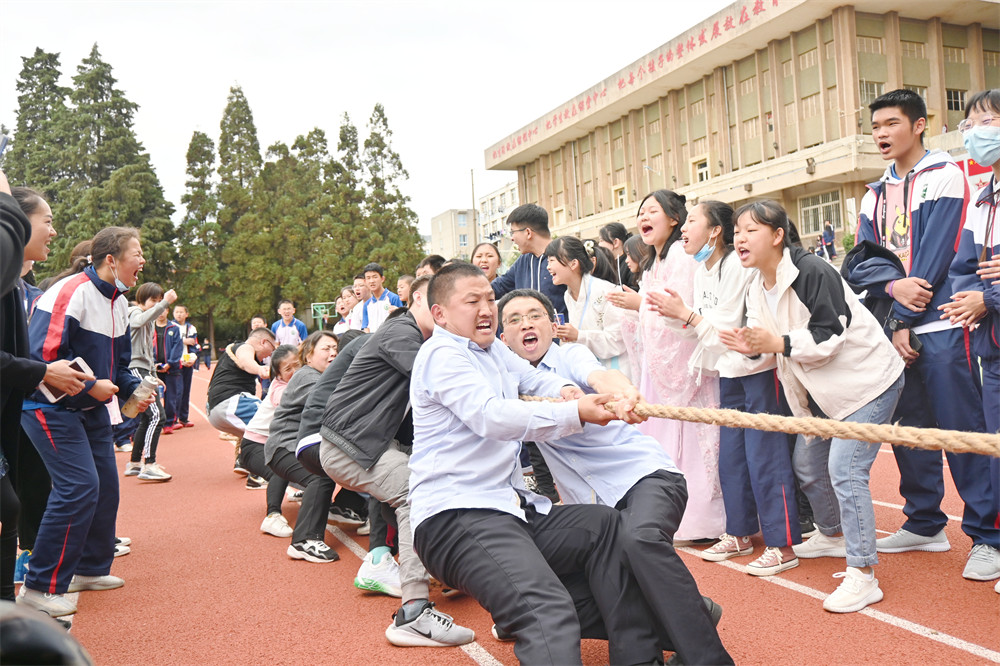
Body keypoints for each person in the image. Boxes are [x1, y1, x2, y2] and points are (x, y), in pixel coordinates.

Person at [410, 262, 664, 662]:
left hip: (510, 509)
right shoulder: (441, 354)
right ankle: (683, 618)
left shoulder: (492, 349)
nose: (486, 309)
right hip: (458, 515)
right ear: (439, 314)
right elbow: (491, 416)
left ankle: (643, 652)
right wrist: (576, 412)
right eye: (472, 301)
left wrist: (566, 390)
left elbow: (532, 379)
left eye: (490, 299)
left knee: (604, 526)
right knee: (546, 611)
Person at [497, 288, 732, 664]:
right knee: (539, 590)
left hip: (647, 479)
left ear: (553, 326)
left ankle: (707, 659)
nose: (526, 323)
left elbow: (603, 376)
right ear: (503, 338)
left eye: (535, 315)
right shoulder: (510, 385)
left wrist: (625, 395)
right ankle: (690, 614)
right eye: (514, 319)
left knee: (639, 538)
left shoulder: (569, 356)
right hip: (596, 517)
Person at [719, 200, 905, 613]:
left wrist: (777, 343)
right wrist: (751, 347)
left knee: (845, 470)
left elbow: (830, 335)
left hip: (868, 383)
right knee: (807, 464)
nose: (740, 238)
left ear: (777, 235)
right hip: (822, 395)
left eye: (750, 230)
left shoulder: (812, 271)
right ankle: (833, 534)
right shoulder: (757, 286)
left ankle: (863, 573)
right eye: (737, 231)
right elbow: (767, 343)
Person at [847, 88, 996, 581]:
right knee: (909, 428)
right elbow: (861, 262)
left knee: (960, 428)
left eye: (891, 123)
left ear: (919, 125)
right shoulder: (873, 193)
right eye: (875, 127)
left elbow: (938, 253)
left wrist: (903, 319)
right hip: (897, 325)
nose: (881, 134)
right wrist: (893, 292)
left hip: (944, 323)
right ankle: (925, 522)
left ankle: (987, 535)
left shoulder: (945, 175)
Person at [317, 274, 478, 647]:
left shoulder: (423, 339)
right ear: (418, 299)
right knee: (414, 493)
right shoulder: (401, 332)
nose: (445, 311)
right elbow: (444, 380)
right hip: (349, 445)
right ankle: (414, 612)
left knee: (443, 484)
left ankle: (454, 572)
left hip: (375, 444)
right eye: (439, 302)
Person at [645, 200, 803, 575]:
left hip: (758, 371)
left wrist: (687, 315)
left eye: (691, 221)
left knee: (765, 456)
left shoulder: (737, 266)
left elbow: (729, 329)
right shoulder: (703, 271)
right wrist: (677, 315)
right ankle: (739, 532)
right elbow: (700, 329)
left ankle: (782, 545)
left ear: (715, 231)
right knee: (731, 457)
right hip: (727, 373)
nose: (684, 229)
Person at [18, 226, 154, 617]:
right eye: (137, 253)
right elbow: (42, 359)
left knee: (105, 486)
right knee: (78, 486)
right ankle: (39, 587)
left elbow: (120, 366)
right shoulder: (70, 292)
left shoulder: (118, 302)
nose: (143, 260)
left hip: (88, 407)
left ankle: (89, 569)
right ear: (111, 259)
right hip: (47, 406)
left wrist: (135, 389)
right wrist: (94, 385)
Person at [608, 190, 726, 542]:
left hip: (685, 365)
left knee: (693, 441)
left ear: (674, 219)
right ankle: (669, 515)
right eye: (641, 212)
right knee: (664, 438)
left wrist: (639, 304)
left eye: (652, 211)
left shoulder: (680, 256)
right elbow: (652, 314)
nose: (643, 217)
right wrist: (635, 307)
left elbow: (681, 308)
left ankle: (702, 521)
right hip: (658, 366)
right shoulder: (653, 262)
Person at [1, 185, 91, 602]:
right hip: (24, 408)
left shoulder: (21, 286)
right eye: (47, 221)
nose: (53, 231)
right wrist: (42, 371)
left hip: (16, 408)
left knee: (14, 504)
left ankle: (16, 607)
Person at [940, 89, 1000, 589]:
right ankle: (993, 542)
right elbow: (965, 268)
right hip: (994, 350)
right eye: (969, 124)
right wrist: (971, 299)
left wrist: (991, 297)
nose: (974, 133)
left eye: (987, 121)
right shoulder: (984, 199)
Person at [265, 331, 341, 563]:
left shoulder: (321, 377)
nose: (333, 353)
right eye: (326, 349)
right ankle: (304, 540)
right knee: (320, 476)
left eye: (336, 349)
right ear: (308, 356)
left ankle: (348, 508)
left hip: (296, 446)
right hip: (283, 448)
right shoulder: (308, 377)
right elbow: (337, 404)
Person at [546, 235, 631, 381]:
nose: (548, 267)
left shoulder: (606, 292)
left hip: (616, 372)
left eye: (552, 261)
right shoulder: (568, 295)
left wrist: (578, 335)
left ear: (573, 264)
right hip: (589, 372)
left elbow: (617, 340)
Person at [122, 282, 177, 482]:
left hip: (144, 370)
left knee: (147, 417)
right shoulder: (134, 312)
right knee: (157, 416)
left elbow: (148, 352)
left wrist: (154, 376)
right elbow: (138, 322)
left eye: (159, 300)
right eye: (153, 300)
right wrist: (164, 303)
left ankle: (135, 462)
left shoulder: (149, 319)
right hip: (135, 369)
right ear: (142, 299)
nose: (157, 305)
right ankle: (149, 463)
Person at [240, 344, 298, 522]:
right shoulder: (279, 388)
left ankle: (307, 491)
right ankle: (273, 516)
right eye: (288, 369)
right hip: (255, 446)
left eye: (298, 364)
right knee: (280, 469)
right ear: (278, 374)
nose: (295, 371)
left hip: (276, 444)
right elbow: (288, 401)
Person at [490, 203, 568, 320]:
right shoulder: (523, 262)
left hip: (562, 331)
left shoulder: (564, 257)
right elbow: (498, 287)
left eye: (513, 232)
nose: (512, 238)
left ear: (528, 232)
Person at [206, 327, 276, 439]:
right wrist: (259, 369)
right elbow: (245, 361)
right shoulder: (245, 347)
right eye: (272, 349)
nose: (270, 355)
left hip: (214, 413)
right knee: (277, 421)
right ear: (263, 342)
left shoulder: (234, 350)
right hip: (229, 402)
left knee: (255, 440)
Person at [153, 306, 183, 434]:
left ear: (167, 311)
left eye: (163, 310)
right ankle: (155, 422)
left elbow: (178, 347)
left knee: (171, 397)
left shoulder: (174, 328)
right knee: (153, 398)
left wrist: (170, 363)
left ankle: (169, 423)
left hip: (171, 369)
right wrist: (153, 363)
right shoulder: (149, 327)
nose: (160, 313)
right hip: (153, 368)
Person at [172, 305, 198, 427]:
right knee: (177, 391)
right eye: (176, 312)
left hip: (186, 361)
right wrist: (183, 340)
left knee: (186, 391)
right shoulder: (170, 326)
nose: (179, 314)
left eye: (181, 312)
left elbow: (193, 344)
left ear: (186, 314)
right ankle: (173, 418)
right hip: (175, 362)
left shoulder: (191, 328)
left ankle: (184, 417)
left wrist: (191, 359)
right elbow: (169, 342)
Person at [361, 262, 403, 333]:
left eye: (375, 277)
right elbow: (365, 327)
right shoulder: (367, 305)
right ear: (365, 281)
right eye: (368, 278)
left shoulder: (393, 298)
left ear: (382, 279)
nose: (371, 281)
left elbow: (402, 320)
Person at [598, 221, 637, 290]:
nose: (599, 245)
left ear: (615, 242)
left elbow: (635, 289)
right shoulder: (606, 266)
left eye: (601, 240)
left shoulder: (630, 263)